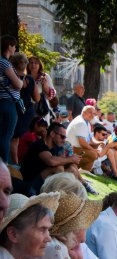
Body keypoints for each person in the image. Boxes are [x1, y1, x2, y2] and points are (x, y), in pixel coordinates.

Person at [20, 122, 82, 192]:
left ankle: (77, 194)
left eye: (65, 138)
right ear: (52, 134)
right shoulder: (40, 145)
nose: (64, 141)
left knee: (72, 168)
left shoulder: (55, 148)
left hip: (42, 180)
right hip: (30, 182)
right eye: (62, 137)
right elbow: (51, 161)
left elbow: (63, 161)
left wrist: (71, 161)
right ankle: (56, 196)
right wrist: (71, 159)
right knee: (58, 168)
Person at [10, 53, 39, 166]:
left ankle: (13, 163)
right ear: (24, 64)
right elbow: (36, 98)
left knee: (12, 137)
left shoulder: (9, 76)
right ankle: (16, 164)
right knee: (17, 138)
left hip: (14, 107)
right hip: (27, 110)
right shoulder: (29, 79)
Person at [0, 35, 23, 163]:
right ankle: (4, 165)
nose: (15, 49)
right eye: (14, 46)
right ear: (9, 47)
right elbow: (18, 84)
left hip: (4, 102)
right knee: (6, 136)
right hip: (7, 103)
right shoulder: (4, 62)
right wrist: (19, 81)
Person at [66, 105, 98, 172]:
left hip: (77, 148)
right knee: (94, 154)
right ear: (83, 112)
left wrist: (100, 143)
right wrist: (94, 150)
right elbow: (83, 143)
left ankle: (85, 171)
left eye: (94, 113)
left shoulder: (86, 122)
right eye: (90, 112)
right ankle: (70, 166)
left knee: (96, 148)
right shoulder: (81, 123)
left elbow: (90, 141)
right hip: (72, 149)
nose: (92, 115)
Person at [26, 56, 56, 124]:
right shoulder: (25, 76)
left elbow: (53, 94)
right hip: (27, 107)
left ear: (40, 65)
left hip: (41, 108)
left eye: (36, 63)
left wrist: (45, 86)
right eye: (31, 63)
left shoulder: (45, 76)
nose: (33, 65)